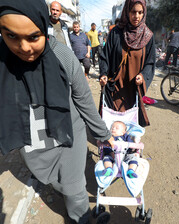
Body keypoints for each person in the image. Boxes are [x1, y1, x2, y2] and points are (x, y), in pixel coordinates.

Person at [0, 1, 114, 224]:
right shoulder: (2, 61)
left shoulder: (62, 55)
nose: (23, 47)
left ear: (43, 27)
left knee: (75, 189)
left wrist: (103, 134)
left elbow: (84, 101)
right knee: (57, 182)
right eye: (11, 36)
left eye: (33, 37)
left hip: (69, 134)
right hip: (34, 144)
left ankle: (81, 220)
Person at [99, 0, 155, 127]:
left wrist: (143, 75)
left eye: (140, 12)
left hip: (133, 88)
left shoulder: (148, 36)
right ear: (127, 12)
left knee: (130, 122)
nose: (137, 16)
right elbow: (105, 57)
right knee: (112, 122)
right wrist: (103, 74)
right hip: (115, 86)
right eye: (133, 12)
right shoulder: (116, 33)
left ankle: (128, 145)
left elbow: (150, 63)